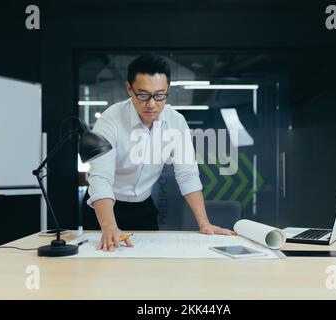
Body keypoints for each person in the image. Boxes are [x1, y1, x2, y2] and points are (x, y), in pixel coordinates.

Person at [87, 53, 235, 252]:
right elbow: (100, 177)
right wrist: (109, 226)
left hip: (143, 209)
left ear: (168, 90)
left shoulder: (176, 122)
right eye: (143, 95)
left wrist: (204, 223)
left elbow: (187, 174)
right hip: (104, 210)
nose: (151, 104)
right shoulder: (110, 120)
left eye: (159, 95)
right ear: (129, 89)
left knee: (148, 270)